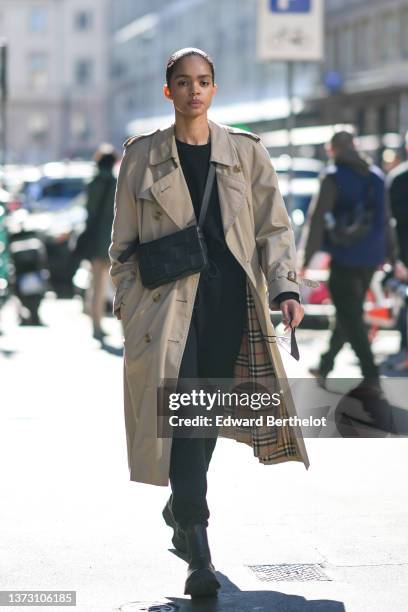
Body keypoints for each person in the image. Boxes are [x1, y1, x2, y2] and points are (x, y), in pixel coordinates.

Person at [109, 47, 309, 598]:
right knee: (187, 421)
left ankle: (180, 505)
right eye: (183, 81)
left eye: (203, 82)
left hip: (230, 306)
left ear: (213, 89)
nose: (194, 91)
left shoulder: (245, 153)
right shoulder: (143, 156)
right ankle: (198, 550)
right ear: (167, 90)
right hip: (167, 308)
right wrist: (131, 308)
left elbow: (275, 228)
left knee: (210, 414)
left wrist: (286, 286)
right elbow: (121, 248)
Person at [300, 131, 392, 393]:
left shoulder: (333, 177)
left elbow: (317, 220)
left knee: (349, 313)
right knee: (346, 311)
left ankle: (370, 372)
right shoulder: (376, 175)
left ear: (333, 150)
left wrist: (307, 259)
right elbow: (385, 221)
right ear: (355, 146)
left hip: (344, 256)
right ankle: (325, 364)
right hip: (371, 258)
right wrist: (391, 255)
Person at [83, 144, 118, 340]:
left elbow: (89, 213)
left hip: (96, 242)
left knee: (96, 287)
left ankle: (96, 327)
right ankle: (125, 331)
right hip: (115, 242)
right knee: (121, 289)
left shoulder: (92, 184)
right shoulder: (117, 184)